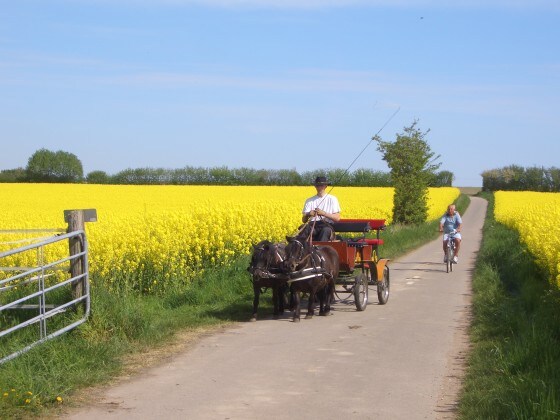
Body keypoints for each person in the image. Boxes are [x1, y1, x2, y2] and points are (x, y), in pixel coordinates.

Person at [299, 176, 341, 241]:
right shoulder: (309, 200)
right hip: (313, 226)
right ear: (315, 186)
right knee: (303, 228)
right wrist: (308, 214)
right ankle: (300, 249)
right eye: (317, 185)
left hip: (326, 226)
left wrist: (324, 213)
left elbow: (337, 218)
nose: (319, 187)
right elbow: (304, 220)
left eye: (321, 185)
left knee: (325, 231)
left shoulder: (332, 199)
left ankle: (319, 249)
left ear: (326, 186)